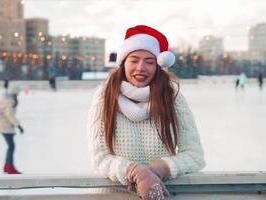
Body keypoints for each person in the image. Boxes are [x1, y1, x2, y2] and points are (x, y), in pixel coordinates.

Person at [87, 25, 205, 200]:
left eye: (149, 61)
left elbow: (194, 155)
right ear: (123, 63)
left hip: (162, 196)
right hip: (114, 197)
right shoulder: (104, 97)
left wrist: (158, 169)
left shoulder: (172, 98)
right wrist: (136, 172)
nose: (141, 67)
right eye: (134, 60)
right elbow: (100, 158)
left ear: (158, 66)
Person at [0, 84, 24, 174]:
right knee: (11, 146)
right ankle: (10, 167)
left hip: (4, 125)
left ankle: (7, 166)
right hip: (5, 126)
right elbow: (9, 114)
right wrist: (18, 125)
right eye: (18, 93)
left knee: (10, 146)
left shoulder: (7, 98)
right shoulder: (10, 101)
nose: (19, 94)